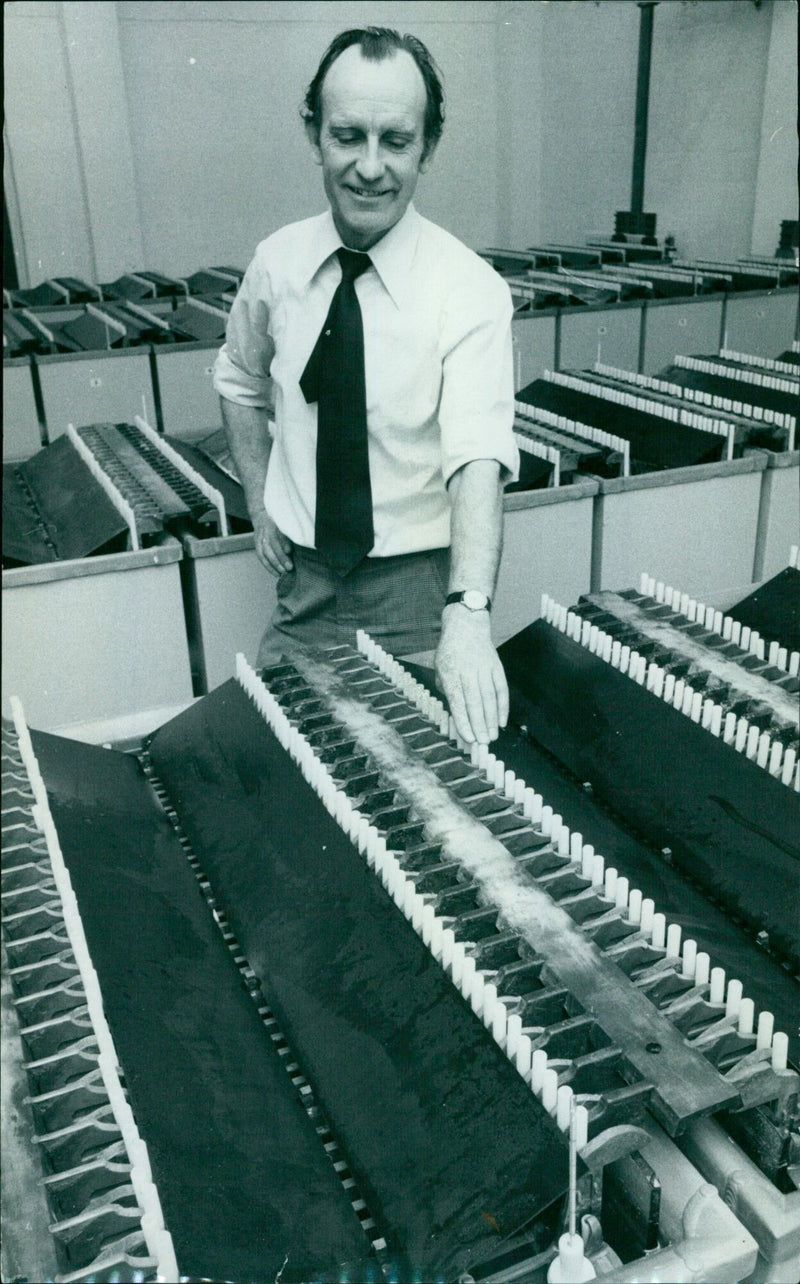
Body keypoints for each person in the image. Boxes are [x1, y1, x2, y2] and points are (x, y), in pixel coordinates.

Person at [214, 27, 518, 745]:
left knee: (424, 799)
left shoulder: (469, 290)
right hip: (304, 587)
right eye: (348, 135)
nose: (371, 168)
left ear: (429, 148)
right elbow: (236, 380)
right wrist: (260, 502)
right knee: (283, 760)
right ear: (314, 134)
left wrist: (468, 613)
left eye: (397, 141)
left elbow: (478, 455)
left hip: (415, 593)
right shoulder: (278, 264)